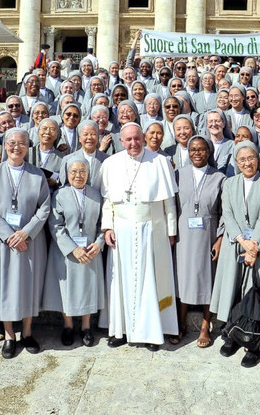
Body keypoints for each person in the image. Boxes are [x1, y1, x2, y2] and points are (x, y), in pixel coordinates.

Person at [100, 123, 179, 351]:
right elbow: (108, 201)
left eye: (137, 138)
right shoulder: (111, 163)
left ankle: (152, 333)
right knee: (121, 281)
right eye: (128, 140)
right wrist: (107, 228)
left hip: (151, 229)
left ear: (143, 138)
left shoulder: (159, 161)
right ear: (121, 141)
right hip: (121, 230)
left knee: (150, 281)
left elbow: (169, 202)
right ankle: (120, 330)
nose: (133, 143)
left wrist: (171, 232)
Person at [0, 128, 51, 358]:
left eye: (21, 143)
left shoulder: (37, 175)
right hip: (2, 241)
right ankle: (9, 335)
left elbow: (44, 208)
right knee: (5, 286)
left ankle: (27, 333)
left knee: (28, 286)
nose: (16, 147)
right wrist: (10, 235)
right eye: (11, 142)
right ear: (4, 146)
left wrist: (26, 233)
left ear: (28, 147)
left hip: (29, 241)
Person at [210, 141, 260, 368]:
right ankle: (232, 334)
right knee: (232, 290)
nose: (247, 163)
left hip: (258, 249)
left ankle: (253, 343)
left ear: (257, 159)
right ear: (236, 162)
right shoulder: (229, 183)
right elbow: (227, 214)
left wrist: (253, 247)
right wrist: (242, 241)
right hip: (234, 246)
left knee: (253, 293)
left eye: (251, 158)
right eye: (242, 160)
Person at [43, 158, 105, 347]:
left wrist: (99, 243)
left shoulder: (96, 194)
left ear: (88, 174)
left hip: (90, 250)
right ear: (67, 174)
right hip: (66, 252)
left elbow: (104, 223)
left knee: (88, 286)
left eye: (82, 172)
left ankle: (86, 327)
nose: (78, 176)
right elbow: (55, 225)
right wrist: (73, 249)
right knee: (66, 289)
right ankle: (68, 326)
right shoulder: (60, 195)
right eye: (74, 172)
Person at [173, 136, 225, 348]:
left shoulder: (219, 177)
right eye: (193, 149)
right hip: (183, 233)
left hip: (208, 233)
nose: (197, 153)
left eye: (202, 149)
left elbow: (225, 212)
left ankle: (205, 326)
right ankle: (181, 323)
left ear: (209, 152)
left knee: (207, 278)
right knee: (183, 277)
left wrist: (220, 238)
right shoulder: (178, 175)